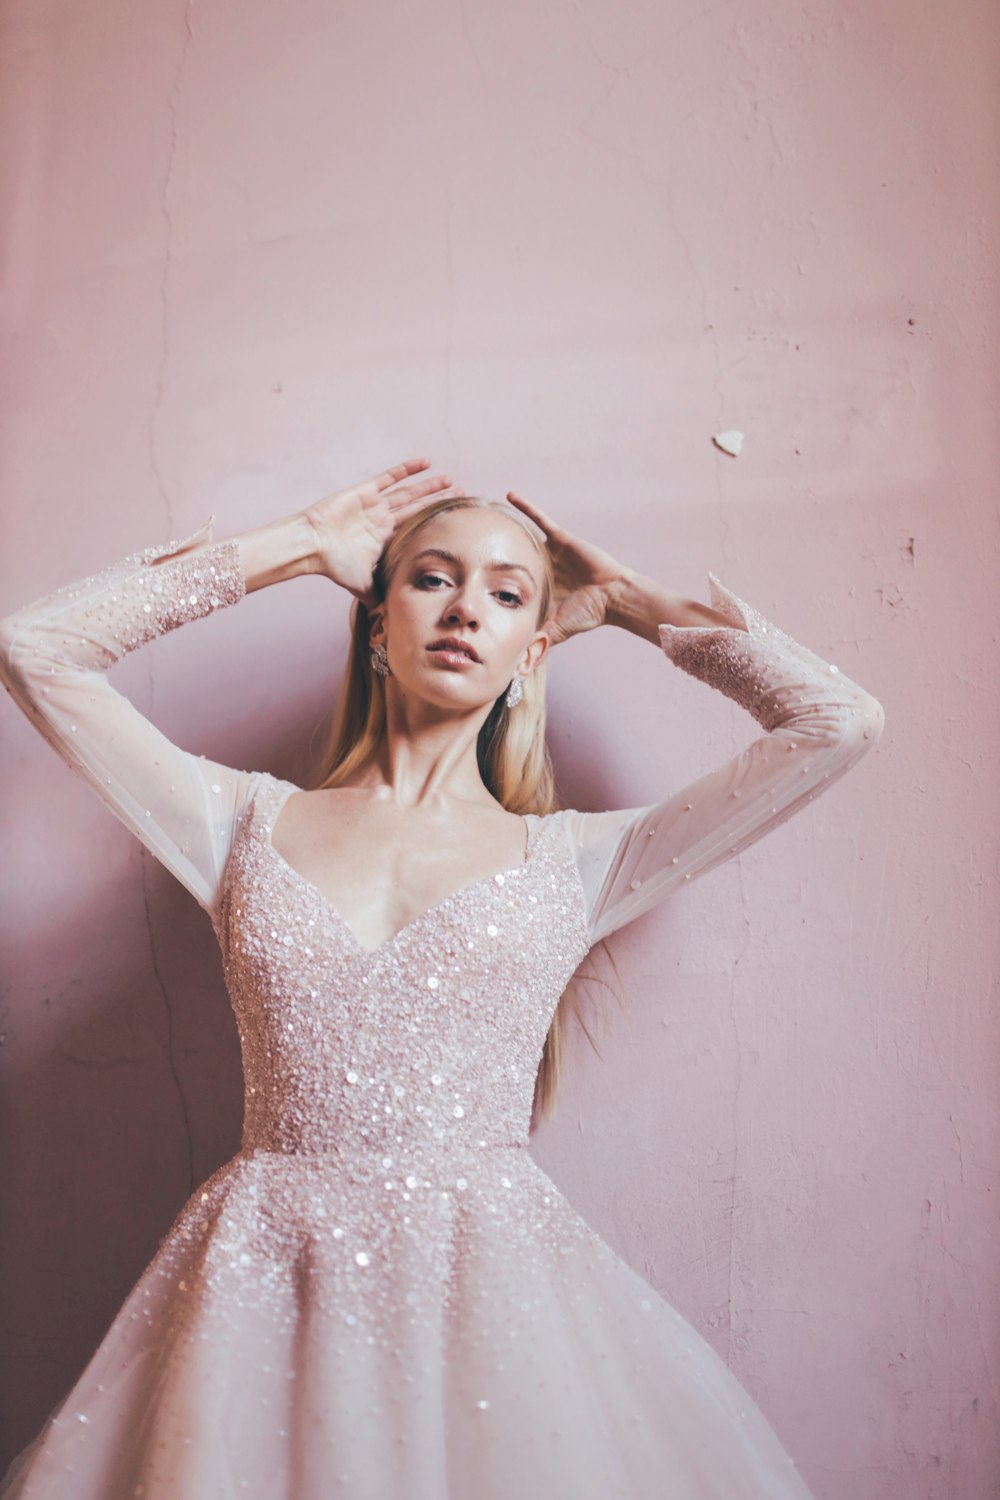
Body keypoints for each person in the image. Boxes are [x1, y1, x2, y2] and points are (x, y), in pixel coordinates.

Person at [0, 456, 884, 1499]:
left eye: (508, 594)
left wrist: (640, 607)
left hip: (489, 1296)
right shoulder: (236, 821)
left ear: (533, 646)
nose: (467, 608)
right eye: (430, 578)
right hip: (263, 1282)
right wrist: (288, 549)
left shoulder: (580, 861)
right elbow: (33, 648)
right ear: (377, 621)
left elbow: (839, 724)